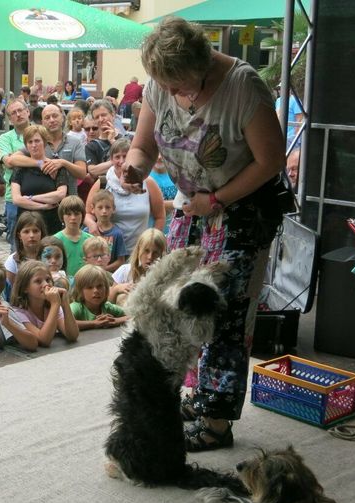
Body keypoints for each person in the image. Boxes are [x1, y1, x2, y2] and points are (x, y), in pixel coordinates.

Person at [133, 17, 285, 451]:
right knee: (181, 307)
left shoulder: (243, 86)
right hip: (192, 210)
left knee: (223, 316)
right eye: (166, 85)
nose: (175, 94)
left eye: (181, 85)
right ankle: (199, 397)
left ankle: (217, 421)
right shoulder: (160, 85)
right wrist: (134, 168)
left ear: (201, 63)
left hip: (242, 211)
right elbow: (144, 146)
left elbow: (270, 160)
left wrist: (216, 201)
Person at [85, 138, 166, 249]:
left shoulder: (148, 182)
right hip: (109, 252)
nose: (122, 161)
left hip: (140, 250)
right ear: (111, 160)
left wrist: (152, 241)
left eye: (125, 156)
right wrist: (91, 224)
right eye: (117, 157)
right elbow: (88, 213)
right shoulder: (103, 183)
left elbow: (160, 216)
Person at [9, 125, 68, 234]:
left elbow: (60, 194)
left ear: (44, 143)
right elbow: (17, 199)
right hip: (27, 225)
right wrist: (43, 206)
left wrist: (31, 198)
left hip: (52, 223)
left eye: (37, 141)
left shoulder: (55, 166)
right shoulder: (20, 168)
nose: (34, 145)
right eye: (30, 142)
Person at [8, 260, 79, 348]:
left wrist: (65, 304)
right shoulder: (19, 312)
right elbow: (44, 340)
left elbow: (73, 335)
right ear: (25, 288)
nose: (46, 284)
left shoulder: (51, 305)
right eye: (38, 281)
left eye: (48, 279)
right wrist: (55, 305)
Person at [0, 98, 31, 247]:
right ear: (10, 118)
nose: (18, 115)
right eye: (13, 113)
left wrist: (15, 156)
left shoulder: (41, 133)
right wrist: (36, 161)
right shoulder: (5, 138)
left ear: (28, 111)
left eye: (20, 110)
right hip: (13, 198)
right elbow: (9, 163)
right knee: (16, 243)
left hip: (39, 194)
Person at [110, 228, 166, 305]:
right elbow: (108, 303)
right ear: (139, 249)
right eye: (146, 251)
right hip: (121, 313)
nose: (150, 257)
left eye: (155, 253)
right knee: (122, 297)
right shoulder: (125, 270)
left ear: (162, 254)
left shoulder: (164, 277)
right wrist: (117, 289)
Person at [70, 265, 126, 330]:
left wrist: (115, 321)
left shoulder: (107, 307)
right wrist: (94, 323)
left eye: (100, 286)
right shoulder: (76, 307)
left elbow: (133, 316)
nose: (96, 291)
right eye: (89, 287)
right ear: (80, 291)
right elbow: (65, 323)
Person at [86, 189, 128, 273]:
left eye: (107, 207)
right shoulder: (87, 232)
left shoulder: (117, 233)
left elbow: (120, 261)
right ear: (93, 209)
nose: (104, 211)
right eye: (100, 207)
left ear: (113, 209)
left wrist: (103, 270)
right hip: (90, 275)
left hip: (110, 276)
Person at [52, 195, 93, 276]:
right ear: (62, 216)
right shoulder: (55, 240)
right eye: (68, 214)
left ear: (82, 215)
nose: (73, 217)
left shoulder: (90, 240)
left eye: (76, 214)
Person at [4, 211, 47, 284]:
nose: (31, 235)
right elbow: (9, 288)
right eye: (26, 232)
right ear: (19, 236)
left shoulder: (48, 257)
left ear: (41, 233)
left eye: (35, 231)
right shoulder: (12, 261)